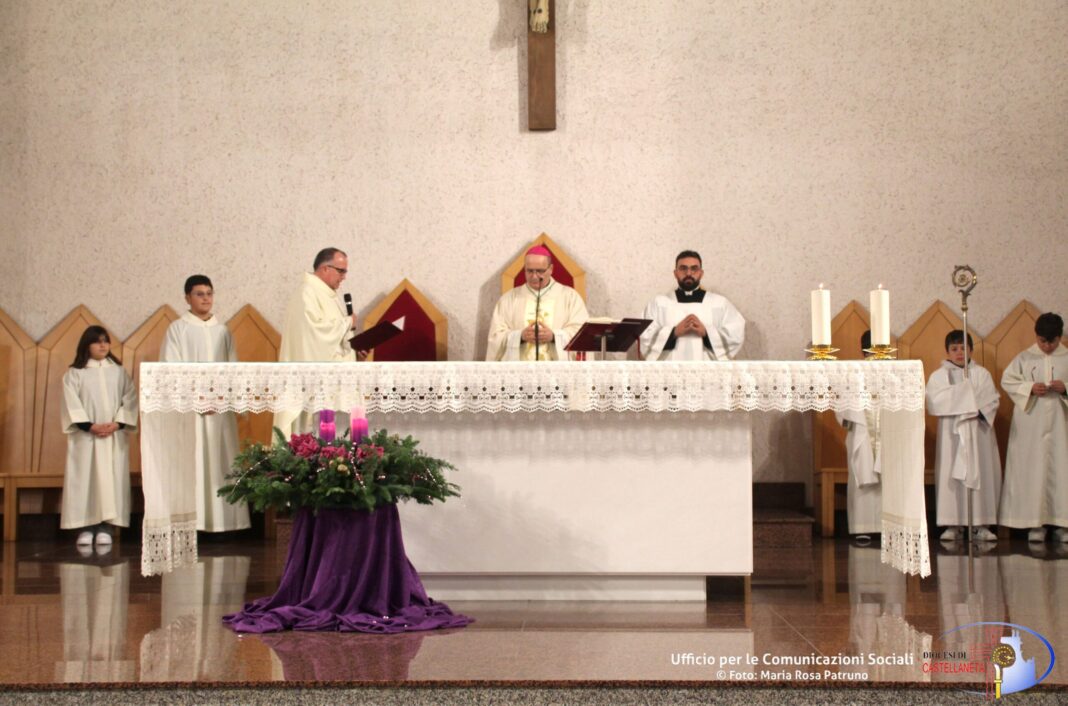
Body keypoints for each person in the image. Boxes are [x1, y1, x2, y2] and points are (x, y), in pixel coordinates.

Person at [159, 275, 251, 533]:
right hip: (192, 411)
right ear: (187, 297)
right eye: (199, 294)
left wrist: (221, 398)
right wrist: (195, 399)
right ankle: (192, 524)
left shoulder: (223, 331)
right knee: (193, 463)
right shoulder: (178, 329)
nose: (206, 298)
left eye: (209, 293)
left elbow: (233, 369)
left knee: (220, 462)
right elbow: (171, 369)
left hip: (219, 409)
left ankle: (224, 523)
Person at [60, 326, 138, 547]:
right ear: (87, 345)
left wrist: (117, 423)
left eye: (106, 341)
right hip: (86, 437)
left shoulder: (119, 371)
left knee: (110, 479)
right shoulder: (75, 373)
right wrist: (89, 426)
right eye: (97, 342)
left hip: (112, 435)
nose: (103, 345)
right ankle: (87, 526)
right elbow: (70, 403)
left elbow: (130, 399)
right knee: (86, 479)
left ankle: (106, 526)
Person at [274, 248, 362, 436]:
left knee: (340, 439)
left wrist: (354, 347)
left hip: (335, 380)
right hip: (316, 384)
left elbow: (334, 338)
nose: (344, 277)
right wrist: (348, 322)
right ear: (325, 268)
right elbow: (316, 333)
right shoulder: (307, 293)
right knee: (319, 439)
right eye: (341, 271)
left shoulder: (328, 295)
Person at [925, 330, 1001, 543]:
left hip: (977, 431)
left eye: (963, 348)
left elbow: (990, 400)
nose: (959, 353)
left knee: (980, 473)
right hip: (952, 434)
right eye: (954, 349)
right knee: (951, 474)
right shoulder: (939, 376)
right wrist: (965, 397)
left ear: (971, 350)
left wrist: (966, 403)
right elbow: (934, 401)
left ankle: (980, 523)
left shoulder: (981, 373)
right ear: (947, 351)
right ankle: (953, 523)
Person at [999, 312, 1068, 543]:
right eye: (1043, 341)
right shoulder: (1024, 358)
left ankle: (1062, 523)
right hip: (1032, 425)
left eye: (1052, 341)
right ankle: (1034, 524)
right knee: (1032, 469)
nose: (1047, 346)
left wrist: (1065, 388)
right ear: (1036, 337)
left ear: (1060, 337)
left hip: (1061, 424)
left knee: (1061, 470)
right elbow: (1007, 380)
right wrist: (1029, 387)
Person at [486, 245, 588, 361]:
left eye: (540, 271)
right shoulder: (508, 299)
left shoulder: (570, 297)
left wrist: (554, 336)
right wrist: (520, 337)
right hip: (520, 373)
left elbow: (582, 335)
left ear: (551, 269)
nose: (534, 276)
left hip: (557, 373)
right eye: (529, 271)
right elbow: (495, 338)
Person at [639, 250, 745, 361]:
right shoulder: (659, 303)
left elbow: (735, 335)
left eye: (694, 268)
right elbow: (644, 336)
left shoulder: (720, 303)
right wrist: (673, 333)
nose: (689, 273)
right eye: (683, 268)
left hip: (709, 373)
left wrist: (707, 333)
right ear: (675, 273)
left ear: (701, 273)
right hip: (669, 372)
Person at [836, 331, 881, 540]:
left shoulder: (895, 372)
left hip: (885, 432)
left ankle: (887, 527)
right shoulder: (852, 374)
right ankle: (862, 527)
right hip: (862, 431)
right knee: (860, 473)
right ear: (864, 350)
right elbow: (841, 402)